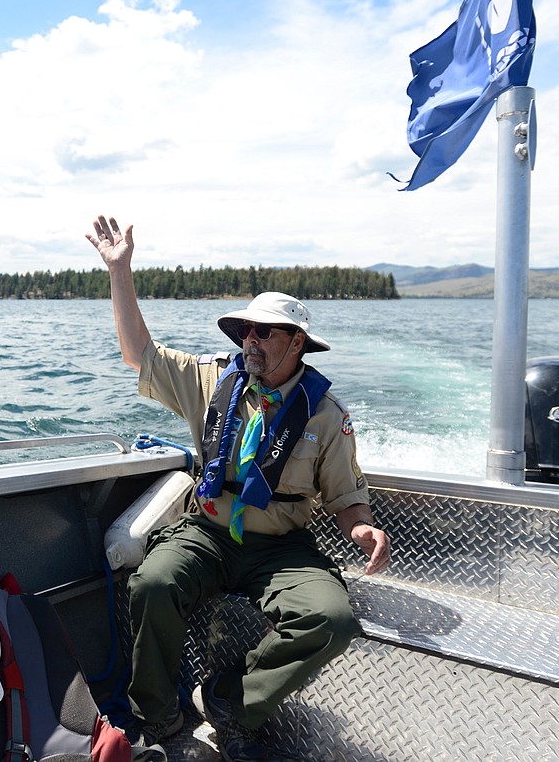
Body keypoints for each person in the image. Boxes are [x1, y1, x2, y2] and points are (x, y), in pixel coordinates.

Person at [86, 215, 390, 762]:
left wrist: (362, 526)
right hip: (208, 533)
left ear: (297, 343)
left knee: (333, 620)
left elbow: (346, 498)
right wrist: (120, 272)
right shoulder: (211, 380)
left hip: (280, 549)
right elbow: (140, 356)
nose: (249, 340)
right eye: (244, 331)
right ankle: (161, 718)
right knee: (152, 582)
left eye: (263, 332)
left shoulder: (325, 417)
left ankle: (232, 702)